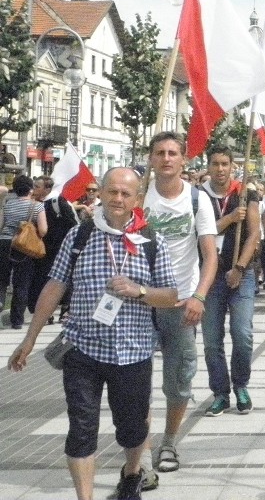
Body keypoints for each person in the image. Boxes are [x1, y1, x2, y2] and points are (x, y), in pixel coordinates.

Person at [7, 167, 178, 500]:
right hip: (82, 350)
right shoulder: (80, 235)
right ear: (100, 191)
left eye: (125, 194)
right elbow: (55, 285)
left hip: (133, 352)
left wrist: (139, 290)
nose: (117, 199)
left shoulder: (151, 239)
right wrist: (29, 340)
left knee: (132, 429)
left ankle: (131, 474)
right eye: (112, 191)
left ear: (137, 199)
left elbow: (171, 296)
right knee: (81, 430)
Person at [142, 132, 218, 475]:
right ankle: (140, 448)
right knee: (135, 377)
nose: (167, 158)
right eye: (160, 152)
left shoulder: (197, 200)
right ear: (151, 158)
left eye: (173, 153)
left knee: (179, 378)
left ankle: (169, 440)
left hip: (180, 303)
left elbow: (210, 255)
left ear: (183, 160)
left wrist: (200, 296)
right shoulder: (138, 196)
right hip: (139, 303)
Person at [198, 145, 261, 416]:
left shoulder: (246, 193)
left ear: (233, 166)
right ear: (208, 166)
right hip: (209, 276)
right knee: (212, 339)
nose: (220, 169)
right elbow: (202, 230)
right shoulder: (199, 195)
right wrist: (230, 218)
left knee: (242, 334)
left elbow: (254, 233)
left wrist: (239, 267)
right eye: (215, 164)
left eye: (225, 164)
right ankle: (220, 392)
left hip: (240, 274)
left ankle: (241, 385)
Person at [0, 175, 48, 329]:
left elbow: (1, 225)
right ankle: (16, 320)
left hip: (4, 243)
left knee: (2, 281)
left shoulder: (7, 204)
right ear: (30, 189)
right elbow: (43, 230)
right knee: (22, 283)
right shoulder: (37, 207)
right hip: (24, 247)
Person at [31, 176, 78, 323]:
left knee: (62, 280)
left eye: (37, 186)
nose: (34, 189)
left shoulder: (59, 202)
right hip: (41, 249)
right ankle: (46, 314)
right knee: (42, 280)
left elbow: (74, 224)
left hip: (59, 250)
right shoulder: (36, 204)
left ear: (47, 188)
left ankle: (65, 309)